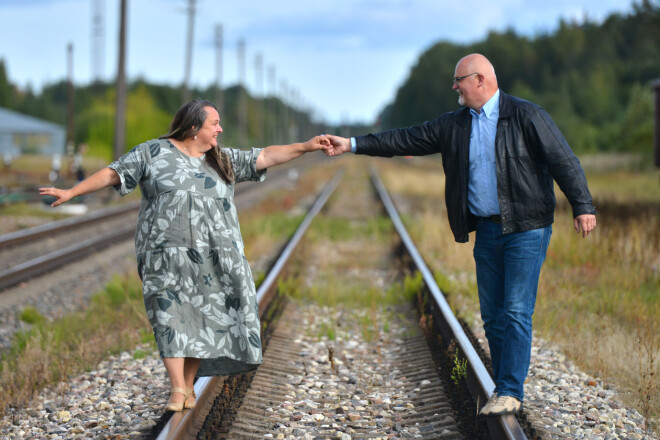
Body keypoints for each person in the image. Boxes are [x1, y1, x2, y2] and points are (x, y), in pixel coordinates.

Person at [323, 53, 597, 416]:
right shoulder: (454, 124)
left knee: (516, 310)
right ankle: (505, 385)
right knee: (493, 316)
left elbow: (564, 160)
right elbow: (406, 139)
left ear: (480, 80)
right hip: (486, 229)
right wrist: (353, 144)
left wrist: (583, 206)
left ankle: (511, 390)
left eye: (459, 80)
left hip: (526, 228)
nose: (455, 87)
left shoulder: (526, 116)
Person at [39, 99, 330, 412]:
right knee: (168, 317)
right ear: (194, 127)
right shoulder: (152, 153)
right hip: (164, 256)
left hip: (215, 257)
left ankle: (187, 385)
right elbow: (113, 174)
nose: (220, 128)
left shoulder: (222, 159)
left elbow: (267, 155)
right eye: (214, 123)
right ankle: (177, 387)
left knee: (201, 320)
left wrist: (307, 146)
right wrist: (71, 192)